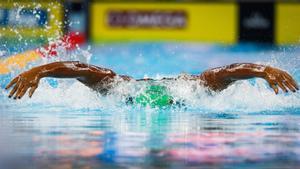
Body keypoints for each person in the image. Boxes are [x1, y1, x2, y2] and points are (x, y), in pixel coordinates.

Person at [5, 61, 299, 106]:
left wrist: (262, 70)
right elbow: (82, 68)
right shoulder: (117, 87)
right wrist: (41, 70)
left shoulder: (194, 87)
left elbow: (229, 71)